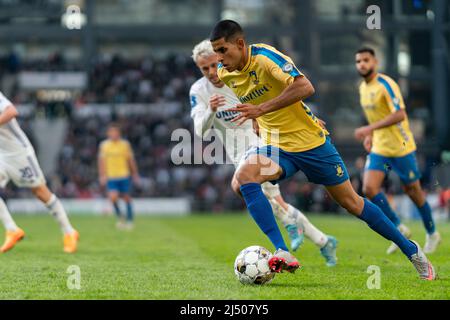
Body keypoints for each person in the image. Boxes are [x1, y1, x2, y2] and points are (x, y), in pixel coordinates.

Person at [209, 19, 436, 280]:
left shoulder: (265, 57)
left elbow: (305, 87)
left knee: (352, 203)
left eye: (223, 50)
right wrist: (257, 119)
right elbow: (255, 97)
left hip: (311, 144)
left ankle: (412, 251)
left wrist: (264, 111)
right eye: (216, 51)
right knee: (242, 179)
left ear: (240, 43)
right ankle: (282, 250)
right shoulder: (225, 73)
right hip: (278, 146)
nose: (220, 58)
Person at [189, 39, 338, 266]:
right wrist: (211, 109)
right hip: (238, 152)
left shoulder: (236, 77)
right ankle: (321, 239)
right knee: (273, 201)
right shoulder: (199, 91)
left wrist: (309, 118)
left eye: (212, 64)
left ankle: (285, 244)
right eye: (204, 68)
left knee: (243, 185)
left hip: (265, 142)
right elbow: (200, 130)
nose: (211, 72)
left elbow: (276, 101)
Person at [354, 47, 441, 254]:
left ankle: (432, 233)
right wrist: (370, 136)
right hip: (380, 148)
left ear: (375, 62)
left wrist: (369, 129)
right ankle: (398, 228)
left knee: (413, 191)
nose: (362, 64)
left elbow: (400, 114)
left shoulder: (386, 84)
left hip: (401, 147)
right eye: (358, 61)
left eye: (366, 60)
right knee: (369, 188)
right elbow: (374, 119)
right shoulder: (363, 88)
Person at [0, 91, 79, 253]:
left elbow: (12, 111)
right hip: (1, 154)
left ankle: (69, 232)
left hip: (18, 152)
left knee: (40, 191)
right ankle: (12, 229)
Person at [98, 123, 139, 230]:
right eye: (111, 132)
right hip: (111, 176)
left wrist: (134, 173)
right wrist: (102, 175)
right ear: (108, 134)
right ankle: (120, 218)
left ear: (119, 133)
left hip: (124, 175)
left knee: (126, 198)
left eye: (115, 132)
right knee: (113, 196)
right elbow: (102, 162)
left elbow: (130, 160)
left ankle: (129, 221)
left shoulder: (125, 145)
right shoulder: (104, 145)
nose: (113, 134)